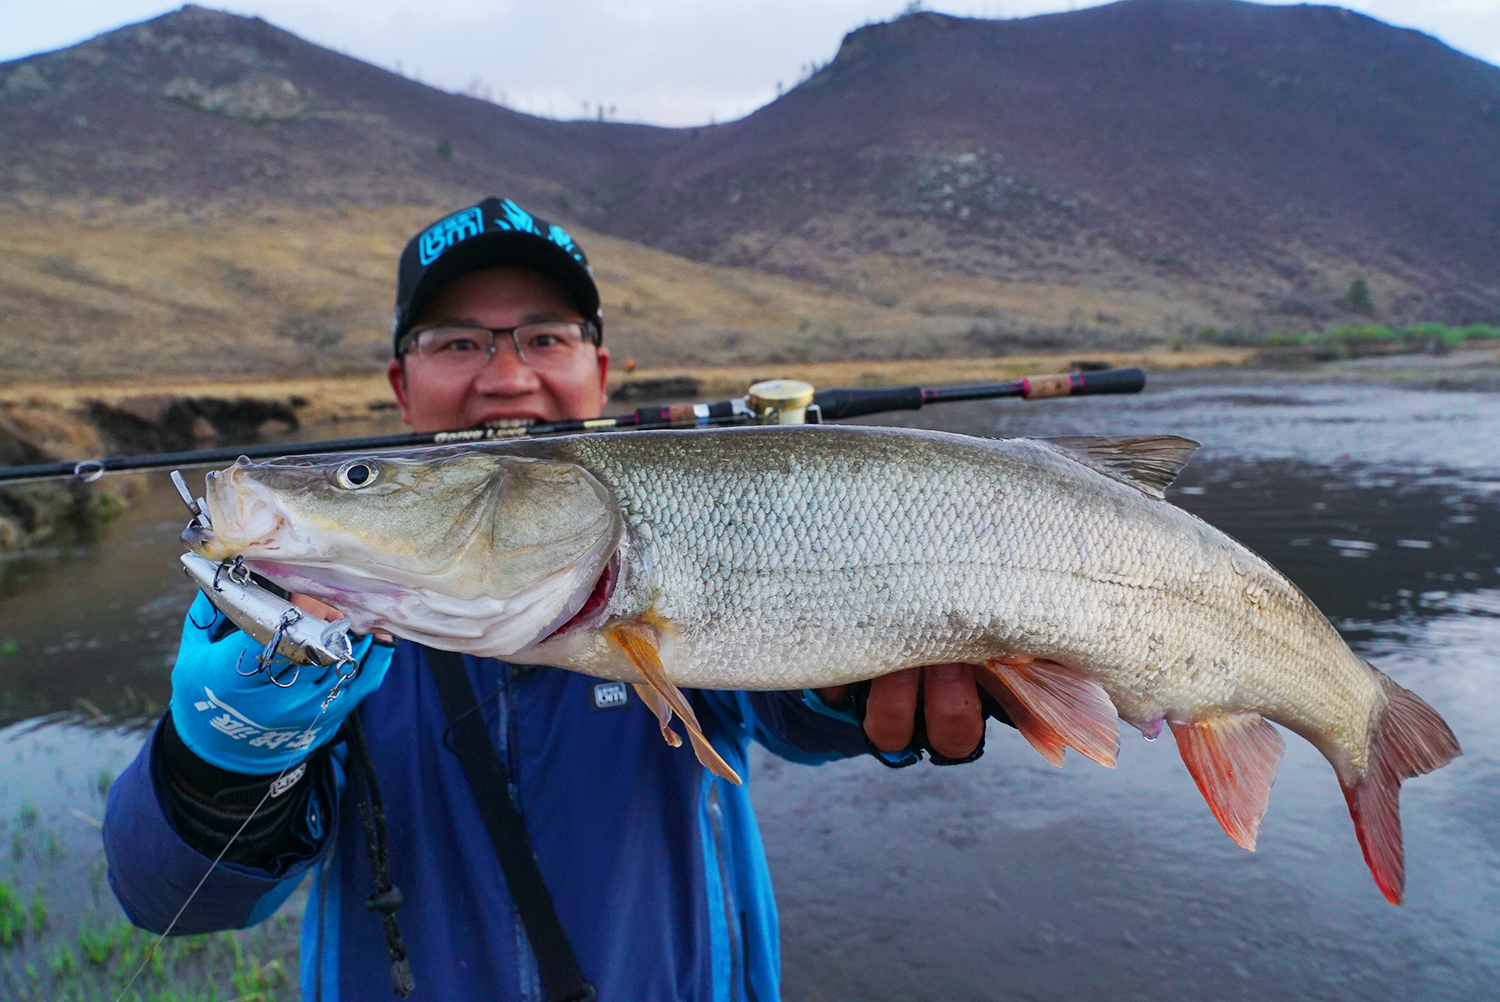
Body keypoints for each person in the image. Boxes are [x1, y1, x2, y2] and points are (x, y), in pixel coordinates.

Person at [103, 197, 997, 1001]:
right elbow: (174, 902)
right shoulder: (326, 612)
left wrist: (858, 693)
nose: (506, 376)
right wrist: (223, 757)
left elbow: (798, 720)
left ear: (599, 371)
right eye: (458, 342)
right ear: (400, 385)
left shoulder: (671, 532)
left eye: (545, 337)